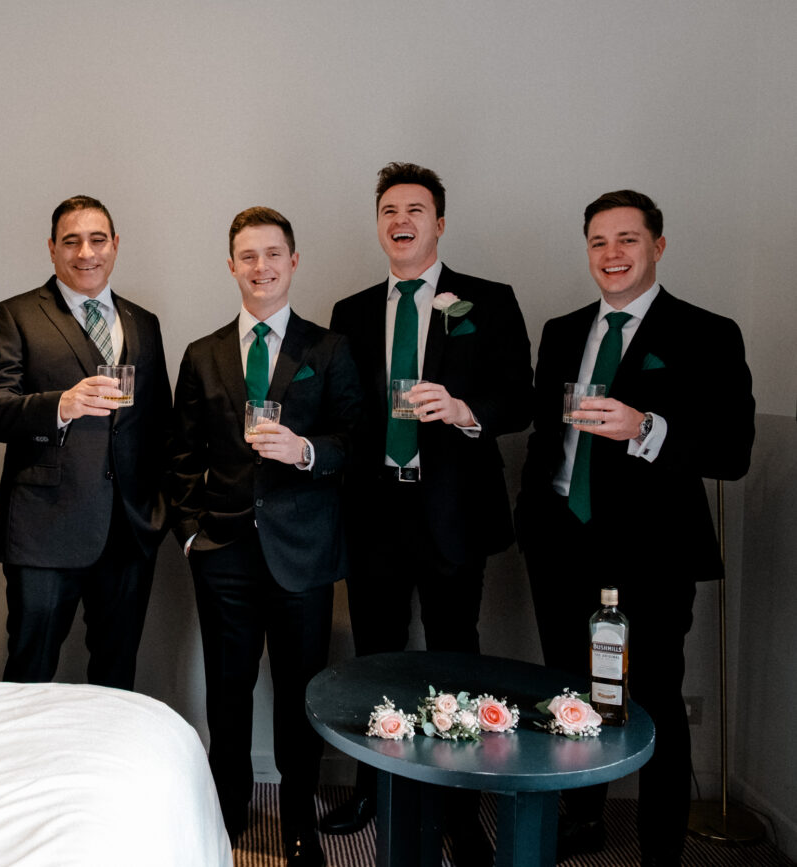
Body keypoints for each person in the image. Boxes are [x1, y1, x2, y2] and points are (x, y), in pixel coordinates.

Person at [517, 190, 754, 866]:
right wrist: (533, 515)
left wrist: (646, 429)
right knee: (568, 691)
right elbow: (545, 434)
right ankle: (583, 816)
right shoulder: (563, 330)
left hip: (652, 553)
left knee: (652, 700)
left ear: (658, 245)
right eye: (599, 241)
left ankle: (659, 850)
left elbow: (732, 451)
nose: (612, 254)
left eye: (627, 239)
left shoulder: (708, 332)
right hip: (561, 540)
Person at [323, 163, 533, 853]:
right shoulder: (350, 312)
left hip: (454, 511)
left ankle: (457, 808)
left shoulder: (488, 300)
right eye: (388, 209)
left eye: (414, 208)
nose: (400, 218)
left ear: (439, 222)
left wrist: (465, 409)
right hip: (374, 511)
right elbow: (342, 411)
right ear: (379, 222)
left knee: (455, 657)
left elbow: (521, 396)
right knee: (373, 660)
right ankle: (369, 788)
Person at [169, 206, 362, 866]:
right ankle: (228, 808)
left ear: (293, 261)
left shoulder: (328, 350)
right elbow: (182, 452)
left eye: (273, 253)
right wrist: (192, 532)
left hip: (302, 551)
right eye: (247, 256)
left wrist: (305, 450)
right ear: (231, 266)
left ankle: (299, 821)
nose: (261, 266)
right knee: (227, 693)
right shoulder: (202, 354)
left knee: (300, 693)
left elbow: (352, 442)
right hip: (222, 550)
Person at [0, 195, 171, 689]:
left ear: (116, 245)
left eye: (98, 239)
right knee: (30, 673)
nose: (86, 252)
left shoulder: (144, 322)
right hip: (44, 528)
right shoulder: (14, 315)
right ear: (52, 249)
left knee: (116, 676)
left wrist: (158, 512)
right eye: (72, 241)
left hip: (127, 529)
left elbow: (158, 422)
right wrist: (60, 405)